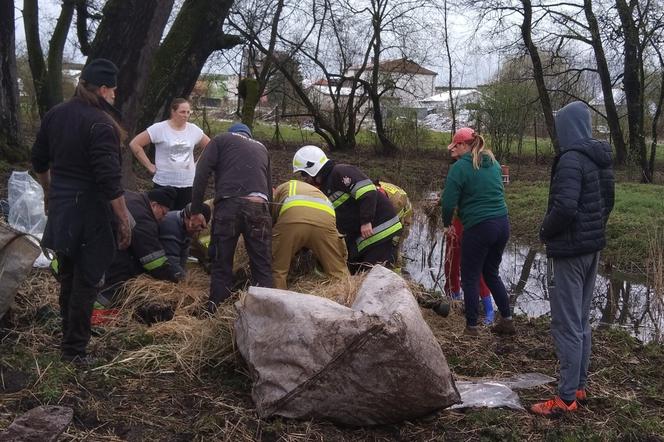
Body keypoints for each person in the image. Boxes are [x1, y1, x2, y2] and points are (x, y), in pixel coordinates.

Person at [31, 58, 132, 364]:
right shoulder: (101, 124)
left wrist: (49, 192)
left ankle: (68, 338)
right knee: (86, 282)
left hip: (63, 209)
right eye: (113, 90)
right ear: (103, 89)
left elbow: (38, 160)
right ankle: (75, 350)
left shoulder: (56, 114)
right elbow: (109, 181)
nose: (115, 95)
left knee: (69, 277)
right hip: (91, 214)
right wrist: (123, 219)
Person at [531, 101, 614, 417]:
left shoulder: (570, 160)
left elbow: (564, 208)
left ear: (569, 127)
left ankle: (565, 399)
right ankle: (578, 386)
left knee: (566, 323)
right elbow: (609, 203)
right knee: (581, 319)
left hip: (568, 251)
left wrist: (544, 230)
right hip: (591, 248)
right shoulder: (601, 159)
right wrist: (592, 230)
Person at [191, 123, 273, 311]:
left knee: (222, 263)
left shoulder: (221, 140)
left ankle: (216, 310)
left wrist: (196, 209)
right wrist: (270, 220)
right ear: (249, 135)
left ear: (233, 134)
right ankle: (268, 311)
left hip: (229, 206)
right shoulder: (262, 148)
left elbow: (201, 173)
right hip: (259, 208)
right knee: (262, 267)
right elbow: (269, 190)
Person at [440, 127, 513, 337]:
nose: (452, 150)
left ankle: (471, 327)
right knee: (491, 273)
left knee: (470, 277)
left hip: (479, 227)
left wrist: (447, 224)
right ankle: (507, 320)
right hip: (502, 224)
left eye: (455, 146)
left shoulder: (460, 168)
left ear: (464, 145)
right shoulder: (493, 162)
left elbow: (448, 202)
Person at [293, 145, 402, 272]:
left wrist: (366, 221)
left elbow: (368, 192)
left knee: (373, 274)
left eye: (304, 174)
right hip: (363, 236)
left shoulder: (341, 172)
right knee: (352, 270)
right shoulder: (325, 187)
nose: (305, 179)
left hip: (379, 228)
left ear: (313, 168)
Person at [100, 188, 183, 304]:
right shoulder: (144, 220)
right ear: (154, 205)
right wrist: (173, 282)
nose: (164, 219)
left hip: (95, 239)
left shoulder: (133, 196)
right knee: (120, 274)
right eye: (163, 213)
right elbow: (154, 260)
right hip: (108, 252)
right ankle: (99, 312)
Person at [129, 98, 210, 210]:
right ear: (173, 111)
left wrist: (199, 163)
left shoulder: (193, 130)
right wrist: (149, 165)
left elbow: (210, 146)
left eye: (188, 112)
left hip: (188, 183)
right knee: (160, 217)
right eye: (182, 112)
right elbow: (135, 144)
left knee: (184, 218)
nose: (185, 115)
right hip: (164, 183)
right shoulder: (159, 128)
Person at [272, 180, 349, 289]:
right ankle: (346, 298)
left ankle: (276, 300)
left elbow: (271, 221)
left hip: (293, 219)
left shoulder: (278, 191)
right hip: (325, 221)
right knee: (338, 271)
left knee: (278, 269)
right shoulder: (313, 190)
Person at [444, 215, 495, 324]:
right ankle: (455, 302)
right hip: (455, 224)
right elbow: (448, 201)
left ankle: (489, 308)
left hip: (473, 222)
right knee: (451, 266)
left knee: (475, 269)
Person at [159, 202, 211, 275]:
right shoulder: (171, 227)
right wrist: (185, 280)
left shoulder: (185, 226)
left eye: (202, 227)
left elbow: (183, 255)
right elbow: (171, 261)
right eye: (194, 225)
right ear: (187, 217)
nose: (198, 229)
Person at [375, 180, 413, 271]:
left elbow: (385, 222)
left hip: (403, 220)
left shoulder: (395, 204)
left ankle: (396, 272)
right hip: (398, 208)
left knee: (394, 246)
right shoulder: (375, 188)